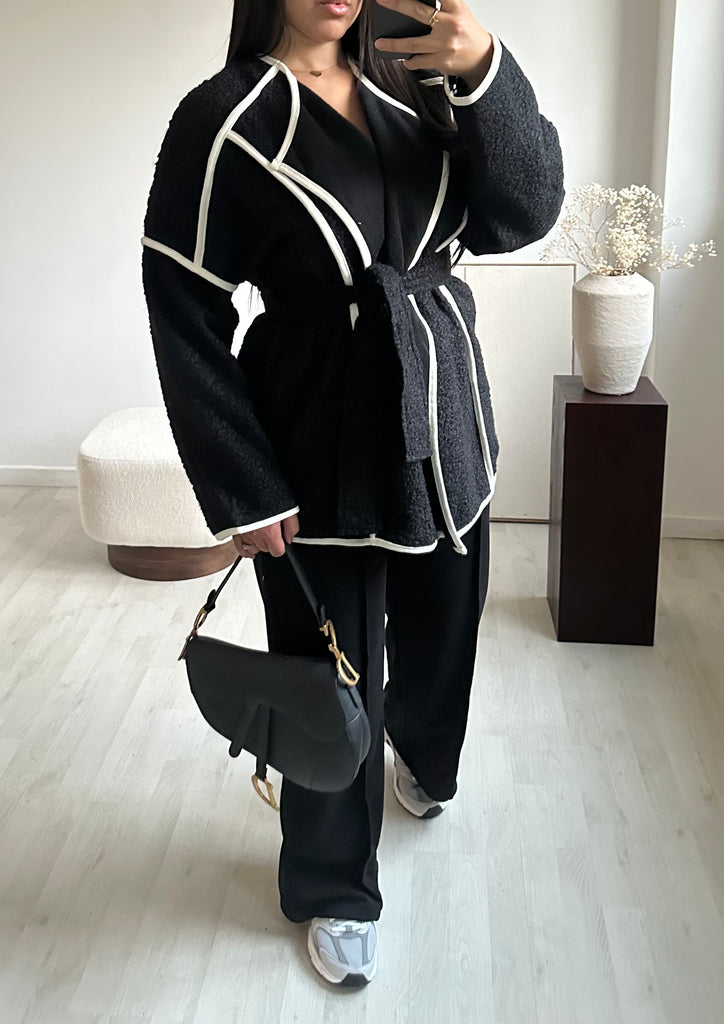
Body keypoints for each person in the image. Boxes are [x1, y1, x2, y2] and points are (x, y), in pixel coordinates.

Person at [141, 0, 565, 988]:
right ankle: (333, 882)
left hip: (440, 404)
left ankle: (423, 754)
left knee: (446, 618)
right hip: (315, 426)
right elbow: (181, 299)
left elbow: (524, 213)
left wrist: (487, 72)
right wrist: (244, 484)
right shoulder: (223, 118)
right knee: (327, 669)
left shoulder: (422, 79)